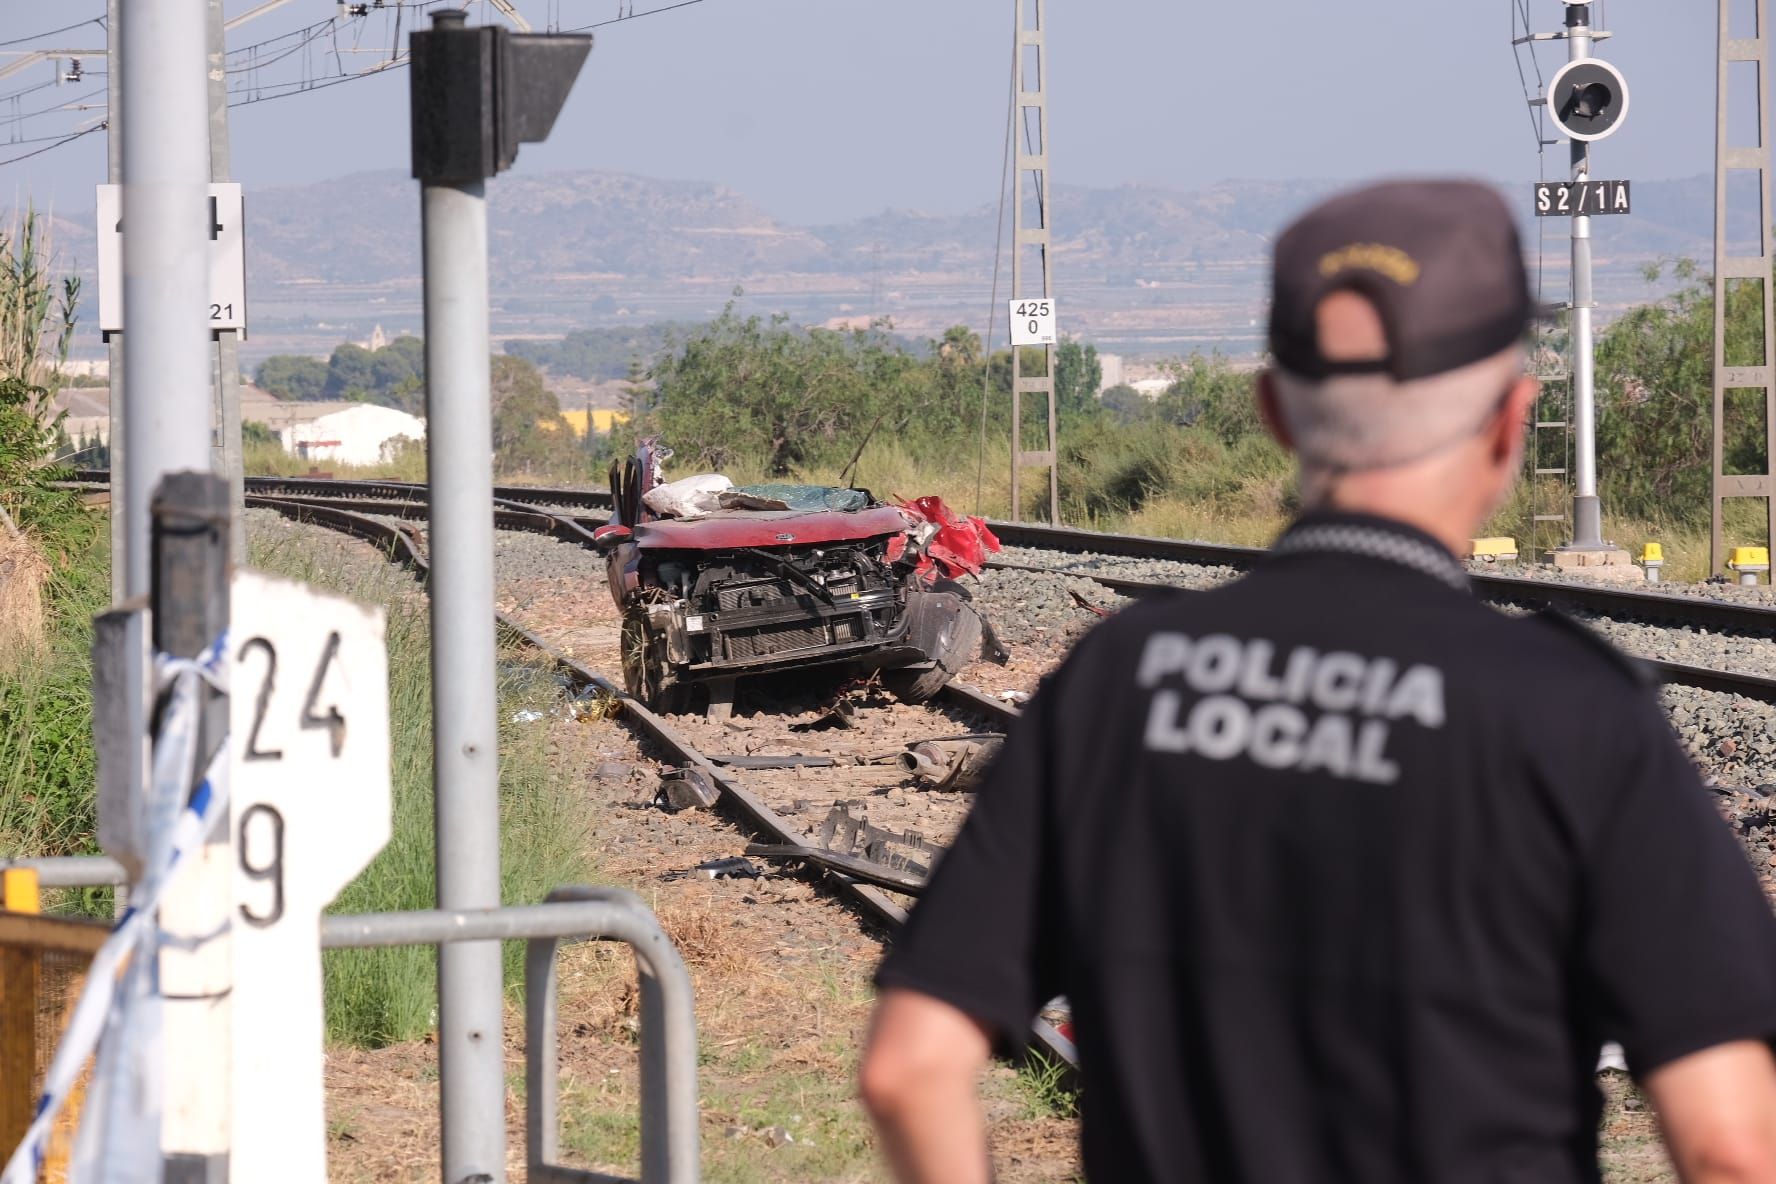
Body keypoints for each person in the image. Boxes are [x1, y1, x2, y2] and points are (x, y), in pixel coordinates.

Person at [859, 179, 1776, 1183]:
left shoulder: (1123, 678)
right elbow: (1731, 1143)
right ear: (1512, 420)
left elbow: (910, 1068)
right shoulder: (1576, 712)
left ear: (1274, 413)